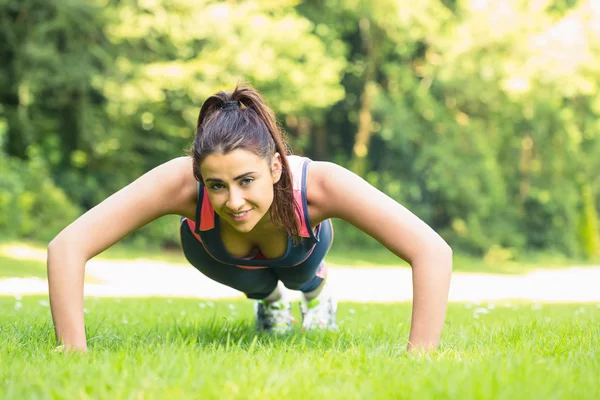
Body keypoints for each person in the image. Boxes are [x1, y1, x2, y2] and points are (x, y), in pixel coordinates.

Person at [47, 83, 452, 354]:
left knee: (296, 274)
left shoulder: (321, 184)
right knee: (259, 283)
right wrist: (72, 352)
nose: (234, 200)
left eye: (246, 180)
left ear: (276, 166)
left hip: (300, 249)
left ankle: (315, 290)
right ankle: (269, 302)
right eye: (217, 185)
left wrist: (421, 357)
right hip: (221, 254)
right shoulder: (180, 181)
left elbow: (431, 250)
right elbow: (67, 246)